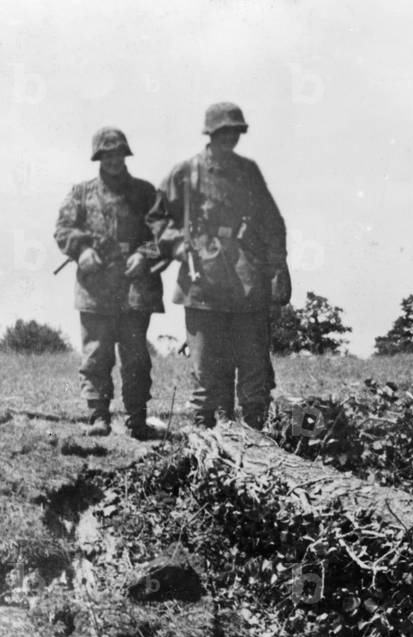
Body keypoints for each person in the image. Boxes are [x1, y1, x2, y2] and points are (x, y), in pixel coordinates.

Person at [147, 102, 290, 429]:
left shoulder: (248, 171)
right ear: (210, 134)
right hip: (203, 282)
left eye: (235, 132)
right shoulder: (186, 172)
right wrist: (175, 243)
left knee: (254, 367)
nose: (230, 139)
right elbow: (155, 216)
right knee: (207, 370)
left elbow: (272, 222)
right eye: (224, 132)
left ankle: (257, 434)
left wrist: (277, 265)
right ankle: (208, 438)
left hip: (246, 279)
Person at [54, 127, 164, 439]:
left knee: (135, 356)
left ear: (125, 155)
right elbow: (63, 229)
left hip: (134, 285)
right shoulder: (81, 193)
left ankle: (137, 420)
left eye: (118, 153)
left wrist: (145, 255)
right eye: (107, 154)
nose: (114, 160)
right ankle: (98, 416)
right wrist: (82, 249)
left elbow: (163, 232)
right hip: (96, 286)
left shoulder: (145, 193)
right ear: (98, 157)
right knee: (96, 354)